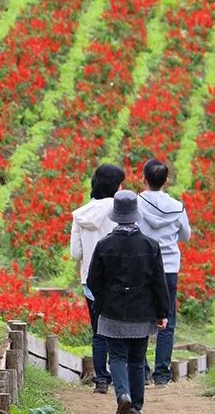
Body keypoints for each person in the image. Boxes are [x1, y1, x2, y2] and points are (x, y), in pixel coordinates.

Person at [87, 190, 171, 414]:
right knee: (136, 359)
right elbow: (159, 284)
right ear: (136, 216)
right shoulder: (150, 246)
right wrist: (163, 312)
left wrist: (104, 301)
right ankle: (135, 406)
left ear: (115, 215)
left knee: (116, 356)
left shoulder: (104, 245)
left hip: (112, 311)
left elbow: (92, 281)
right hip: (142, 312)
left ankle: (122, 394)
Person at [69, 163, 125, 393]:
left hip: (91, 281)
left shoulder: (80, 214)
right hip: (119, 279)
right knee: (121, 329)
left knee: (99, 331)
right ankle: (125, 377)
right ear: (115, 186)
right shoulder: (119, 209)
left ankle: (101, 380)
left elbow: (75, 253)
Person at [136, 158, 191, 387]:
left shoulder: (136, 202)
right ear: (166, 180)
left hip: (142, 266)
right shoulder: (177, 206)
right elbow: (186, 235)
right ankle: (161, 375)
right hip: (168, 267)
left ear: (143, 178)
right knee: (166, 320)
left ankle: (142, 373)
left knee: (139, 319)